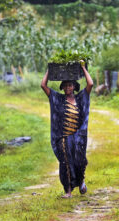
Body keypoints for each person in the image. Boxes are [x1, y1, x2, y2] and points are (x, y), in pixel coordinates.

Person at [41, 60, 93, 198]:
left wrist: (83, 67)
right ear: (63, 88)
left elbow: (90, 84)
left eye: (70, 85)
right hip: (63, 137)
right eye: (65, 86)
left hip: (78, 138)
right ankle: (68, 191)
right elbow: (43, 85)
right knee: (65, 163)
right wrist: (50, 69)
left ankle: (81, 181)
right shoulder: (57, 99)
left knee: (79, 161)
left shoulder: (81, 98)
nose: (68, 88)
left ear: (74, 86)